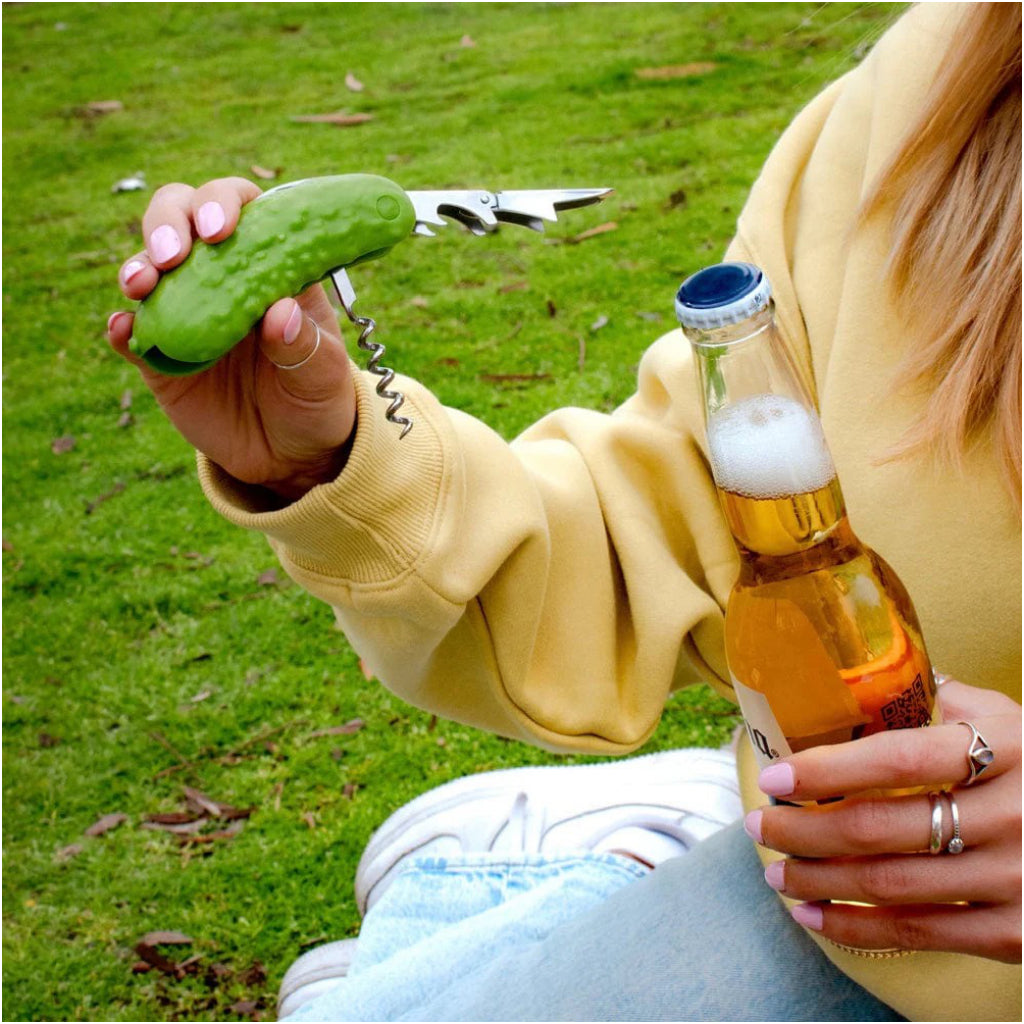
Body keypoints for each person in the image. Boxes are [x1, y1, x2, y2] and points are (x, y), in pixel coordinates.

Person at [107, 2, 1022, 1020]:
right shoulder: (946, 86)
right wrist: (332, 456)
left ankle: (547, 871)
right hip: (845, 925)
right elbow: (669, 534)